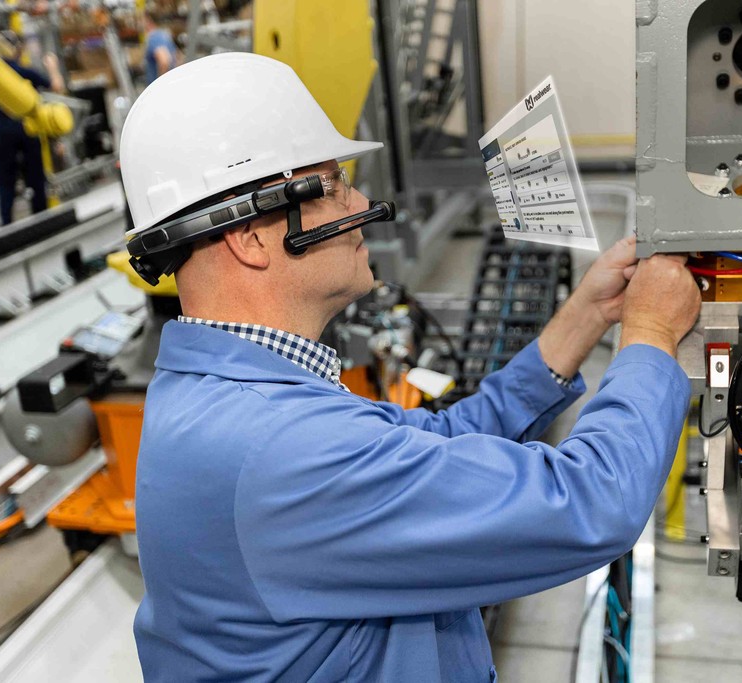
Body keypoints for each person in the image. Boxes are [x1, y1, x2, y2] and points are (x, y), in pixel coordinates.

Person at [120, 53, 701, 682]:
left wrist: (588, 315)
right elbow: (593, 502)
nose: (362, 201)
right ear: (250, 237)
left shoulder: (231, 395)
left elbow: (436, 445)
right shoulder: (280, 447)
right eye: (333, 185)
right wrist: (651, 333)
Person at [0, 31, 65, 225]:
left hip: (3, 134)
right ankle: (42, 221)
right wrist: (53, 67)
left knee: (6, 184)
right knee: (36, 179)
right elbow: (57, 87)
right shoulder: (25, 72)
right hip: (27, 131)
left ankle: (7, 225)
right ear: (18, 49)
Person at [142, 13, 177, 83]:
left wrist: (161, 85)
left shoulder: (154, 38)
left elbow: (164, 61)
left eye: (142, 20)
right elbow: (177, 57)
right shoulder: (163, 34)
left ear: (149, 21)